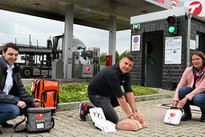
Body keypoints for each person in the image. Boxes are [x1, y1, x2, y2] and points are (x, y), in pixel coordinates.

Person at [79, 54, 145, 124]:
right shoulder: (112, 73)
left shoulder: (126, 74)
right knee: (113, 119)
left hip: (108, 93)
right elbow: (120, 97)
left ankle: (105, 110)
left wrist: (134, 111)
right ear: (120, 62)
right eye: (125, 63)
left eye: (130, 65)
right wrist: (130, 116)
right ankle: (86, 108)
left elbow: (129, 92)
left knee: (125, 96)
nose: (127, 66)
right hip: (97, 95)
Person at [0, 43, 40, 134]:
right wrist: (16, 101)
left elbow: (20, 89)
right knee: (14, 110)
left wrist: (32, 99)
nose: (13, 57)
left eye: (16, 55)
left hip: (5, 98)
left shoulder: (15, 68)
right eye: (10, 54)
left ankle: (2, 120)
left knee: (30, 104)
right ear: (3, 53)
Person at [172, 51, 205, 122]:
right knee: (182, 90)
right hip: (193, 94)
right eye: (193, 59)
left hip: (202, 94)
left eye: (198, 59)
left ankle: (204, 114)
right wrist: (175, 99)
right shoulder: (188, 70)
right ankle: (187, 114)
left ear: (203, 60)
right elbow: (180, 85)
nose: (195, 61)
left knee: (198, 98)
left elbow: (202, 87)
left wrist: (186, 98)